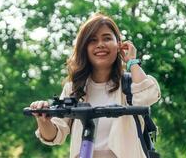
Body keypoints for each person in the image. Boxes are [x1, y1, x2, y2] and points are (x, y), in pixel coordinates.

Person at [30, 13, 161, 158]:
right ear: (84, 48)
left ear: (119, 44)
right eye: (93, 40)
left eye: (107, 38)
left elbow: (149, 95)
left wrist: (131, 61)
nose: (100, 44)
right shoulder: (74, 89)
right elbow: (55, 135)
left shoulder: (130, 84)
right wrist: (42, 119)